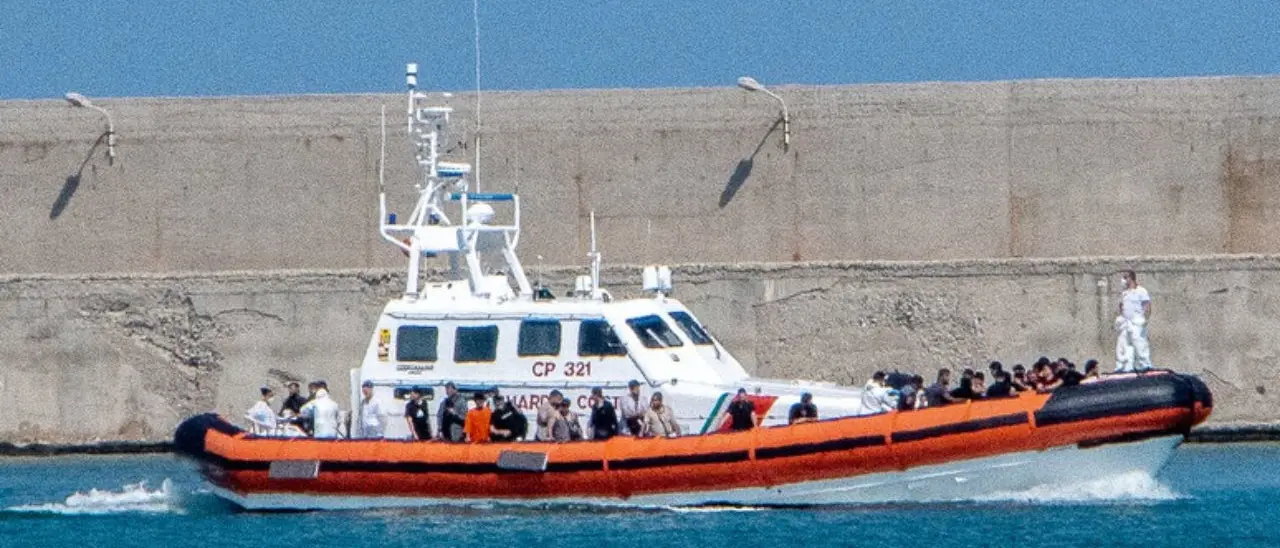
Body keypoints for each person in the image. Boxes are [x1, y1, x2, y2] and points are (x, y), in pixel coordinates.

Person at [1115, 269, 1154, 372]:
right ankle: (1123, 367)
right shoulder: (1124, 293)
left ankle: (1145, 365)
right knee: (1123, 345)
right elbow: (1121, 306)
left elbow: (1147, 305)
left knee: (1140, 345)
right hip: (1126, 323)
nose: (1123, 280)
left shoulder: (1141, 291)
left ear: (1131, 278)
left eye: (1125, 277)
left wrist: (1144, 320)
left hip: (1136, 322)